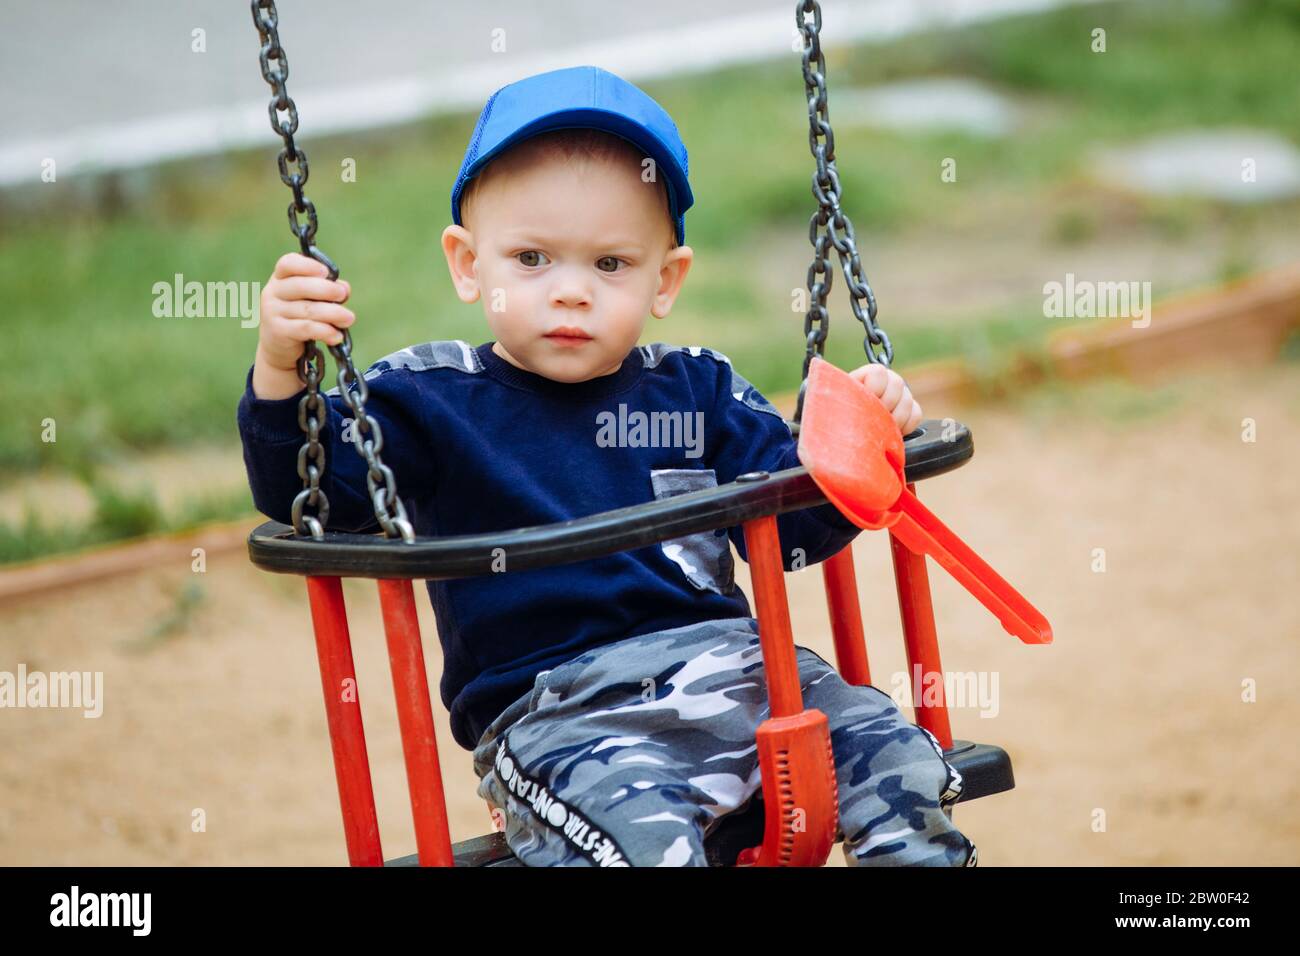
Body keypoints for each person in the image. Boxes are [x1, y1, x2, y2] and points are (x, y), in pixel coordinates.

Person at [237, 65, 976, 867]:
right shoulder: (427, 399)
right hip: (560, 717)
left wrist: (865, 433)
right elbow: (304, 492)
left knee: (894, 752)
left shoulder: (699, 388)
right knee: (645, 845)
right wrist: (283, 366)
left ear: (666, 280)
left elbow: (799, 526)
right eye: (530, 258)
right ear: (466, 264)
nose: (570, 293)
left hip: (748, 680)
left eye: (610, 265)